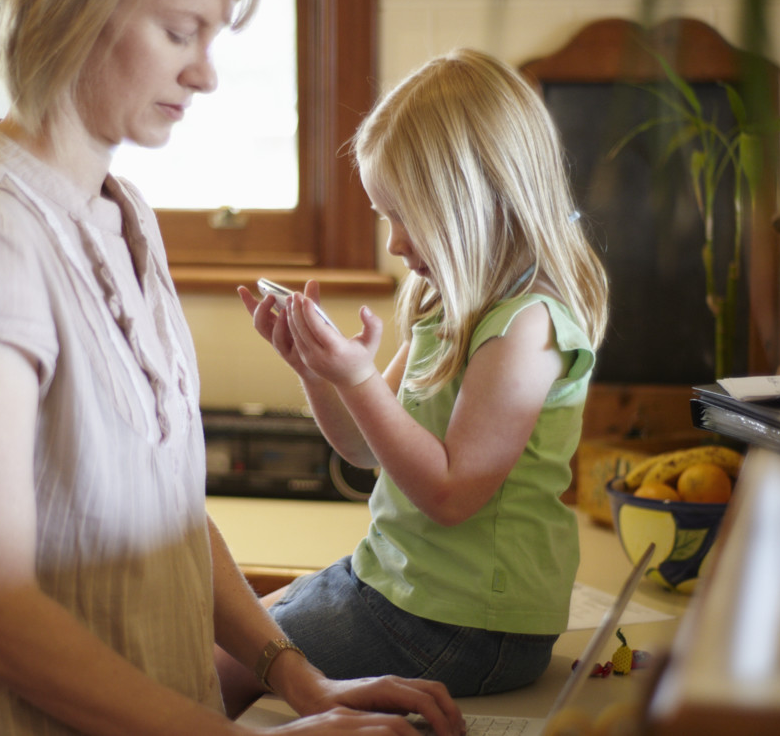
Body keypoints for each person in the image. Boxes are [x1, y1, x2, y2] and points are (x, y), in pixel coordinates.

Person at [0, 0, 465, 734]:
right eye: (180, 32)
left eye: (213, 38)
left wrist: (301, 681)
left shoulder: (127, 216)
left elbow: (172, 517)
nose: (206, 72)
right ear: (71, 6)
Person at [225, 48, 610, 707]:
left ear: (479, 204)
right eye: (384, 217)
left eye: (406, 216)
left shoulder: (526, 327)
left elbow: (452, 493)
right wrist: (320, 373)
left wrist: (359, 376)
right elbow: (362, 448)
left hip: (462, 626)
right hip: (403, 591)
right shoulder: (449, 307)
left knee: (216, 666)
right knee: (229, 637)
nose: (395, 244)